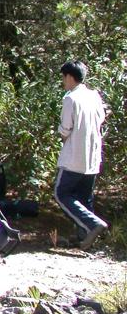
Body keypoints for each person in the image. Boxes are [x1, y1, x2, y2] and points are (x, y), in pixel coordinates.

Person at [55, 60, 108, 250]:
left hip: (74, 157)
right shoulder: (94, 96)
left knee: (61, 194)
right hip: (92, 157)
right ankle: (86, 237)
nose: (63, 81)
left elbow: (65, 129)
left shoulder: (70, 99)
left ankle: (93, 224)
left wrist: (62, 134)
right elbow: (101, 119)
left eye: (64, 77)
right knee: (84, 198)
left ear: (70, 77)